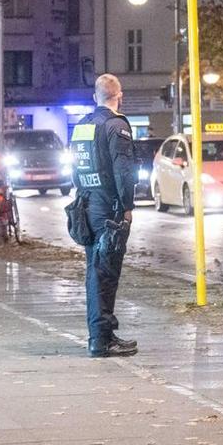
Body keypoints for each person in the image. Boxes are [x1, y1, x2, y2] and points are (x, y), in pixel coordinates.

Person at [71, 74, 139, 357]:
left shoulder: (82, 126)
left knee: (94, 272)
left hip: (86, 204)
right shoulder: (116, 125)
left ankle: (102, 333)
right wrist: (127, 206)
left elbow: (75, 170)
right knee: (105, 274)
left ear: (94, 96)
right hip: (108, 208)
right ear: (118, 95)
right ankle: (101, 340)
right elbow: (124, 172)